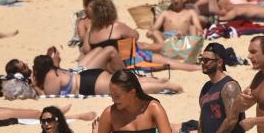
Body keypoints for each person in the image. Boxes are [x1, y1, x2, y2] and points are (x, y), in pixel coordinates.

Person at [85, 0, 199, 72]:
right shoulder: (116, 26)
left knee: (144, 46)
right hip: (127, 60)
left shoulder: (91, 29)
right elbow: (135, 35)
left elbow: (86, 49)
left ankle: (169, 47)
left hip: (104, 65)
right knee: (168, 62)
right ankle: (196, 67)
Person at [196, 42, 247, 133]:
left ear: (219, 62)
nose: (203, 63)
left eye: (207, 60)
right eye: (201, 59)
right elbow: (202, 116)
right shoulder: (206, 87)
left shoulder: (229, 86)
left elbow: (232, 119)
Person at [32, 52, 183, 97]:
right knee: (125, 81)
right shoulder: (57, 70)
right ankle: (158, 82)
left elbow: (50, 96)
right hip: (90, 76)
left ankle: (166, 85)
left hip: (88, 83)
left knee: (127, 88)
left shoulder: (50, 77)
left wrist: (36, 87)